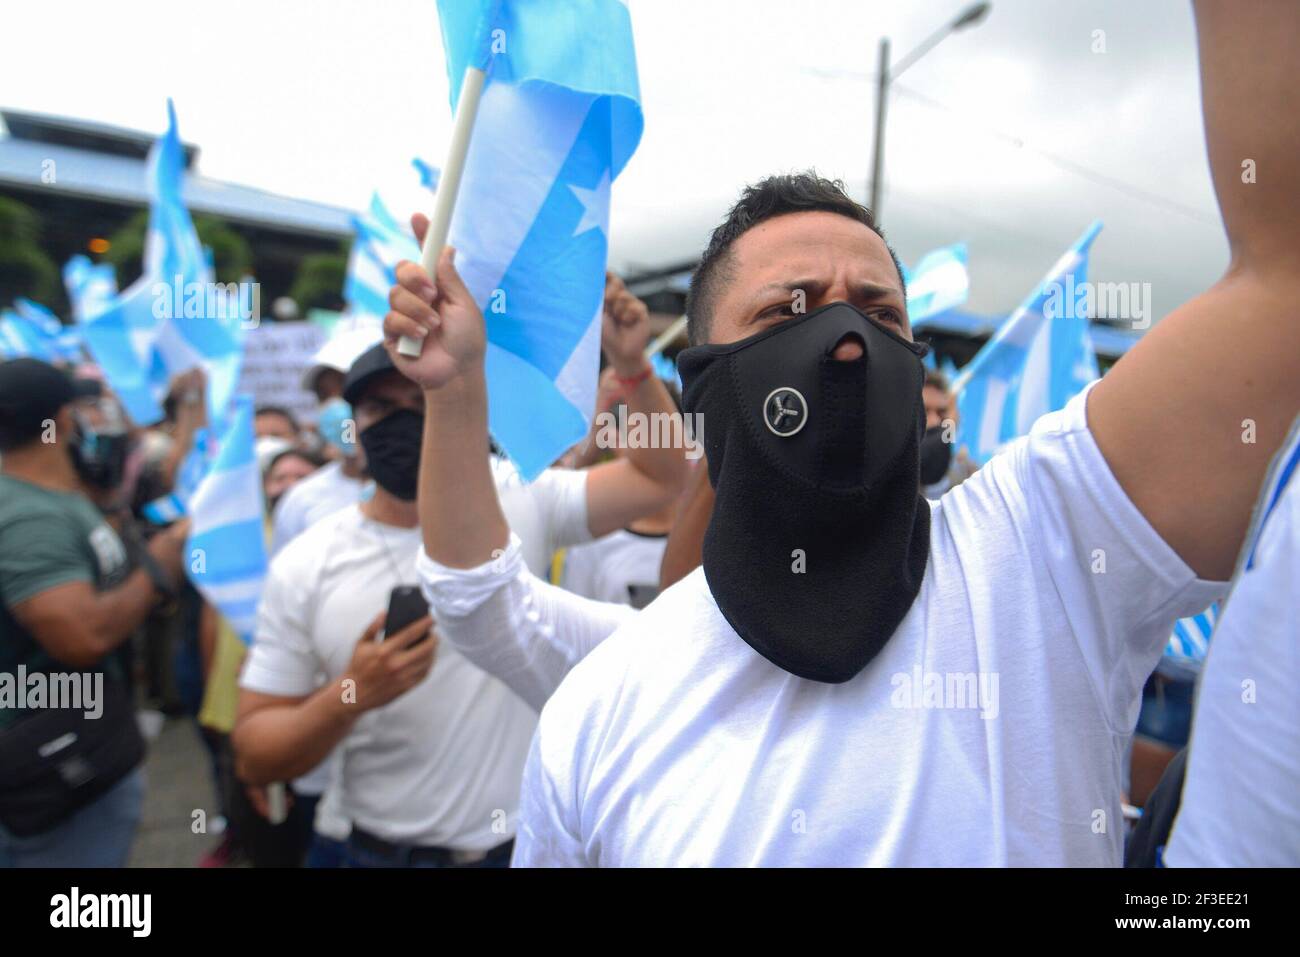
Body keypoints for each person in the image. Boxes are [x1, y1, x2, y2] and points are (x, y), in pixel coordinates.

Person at [392, 0, 1297, 866]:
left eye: (878, 310)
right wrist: (459, 390)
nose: (847, 340)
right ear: (707, 383)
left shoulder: (1049, 549)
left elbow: (1281, 287)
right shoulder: (605, 702)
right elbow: (481, 599)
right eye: (790, 310)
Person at [0, 358, 187, 867]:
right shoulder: (27, 516)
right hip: (48, 770)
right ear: (62, 419)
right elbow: (80, 636)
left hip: (71, 754)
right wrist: (159, 567)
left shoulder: (52, 495)